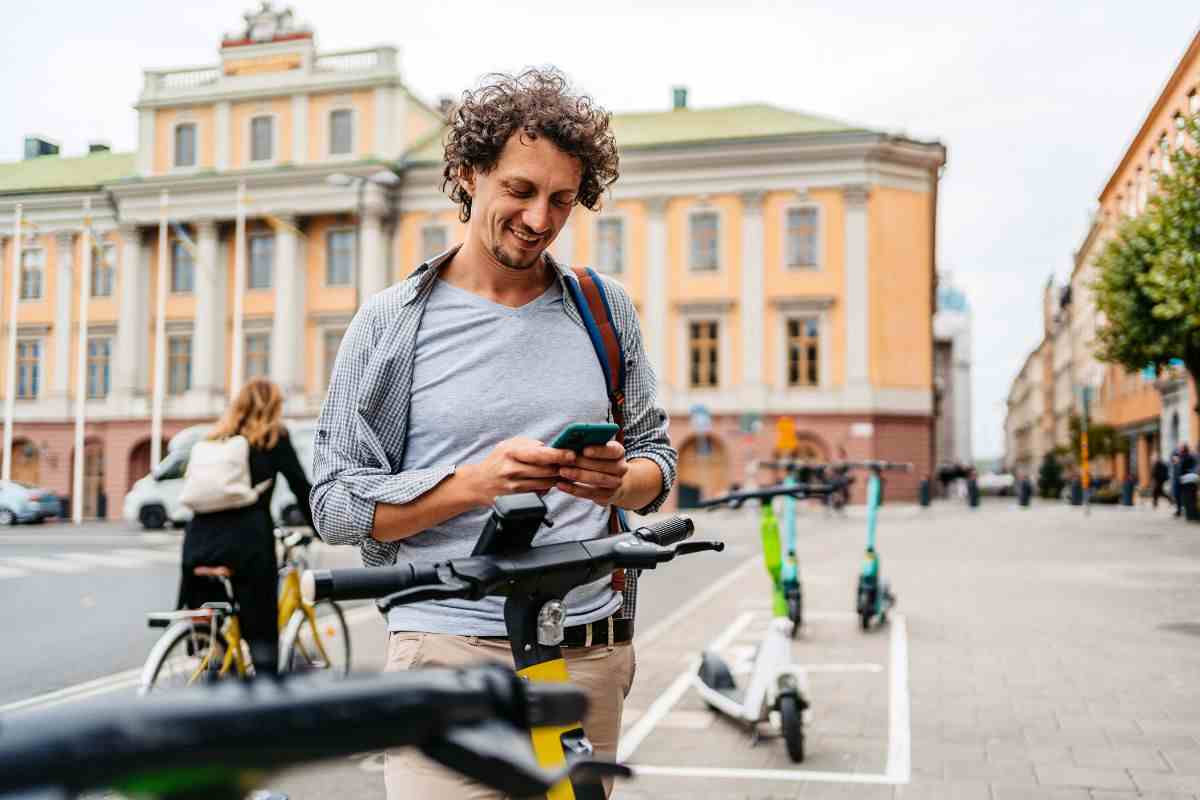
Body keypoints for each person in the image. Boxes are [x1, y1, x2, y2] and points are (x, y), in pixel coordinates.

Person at [312, 67, 676, 800]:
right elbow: (335, 504)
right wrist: (473, 485)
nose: (540, 219)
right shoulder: (391, 324)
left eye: (562, 201)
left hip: (585, 654)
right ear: (466, 174)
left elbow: (657, 460)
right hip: (448, 654)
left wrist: (622, 480)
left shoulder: (603, 309)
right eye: (519, 190)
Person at [177, 378, 314, 676]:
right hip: (247, 544)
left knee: (209, 621)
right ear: (274, 407)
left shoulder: (215, 437)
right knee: (262, 633)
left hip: (198, 543)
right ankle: (264, 697)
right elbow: (301, 488)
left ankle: (211, 659)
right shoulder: (272, 437)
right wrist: (320, 526)